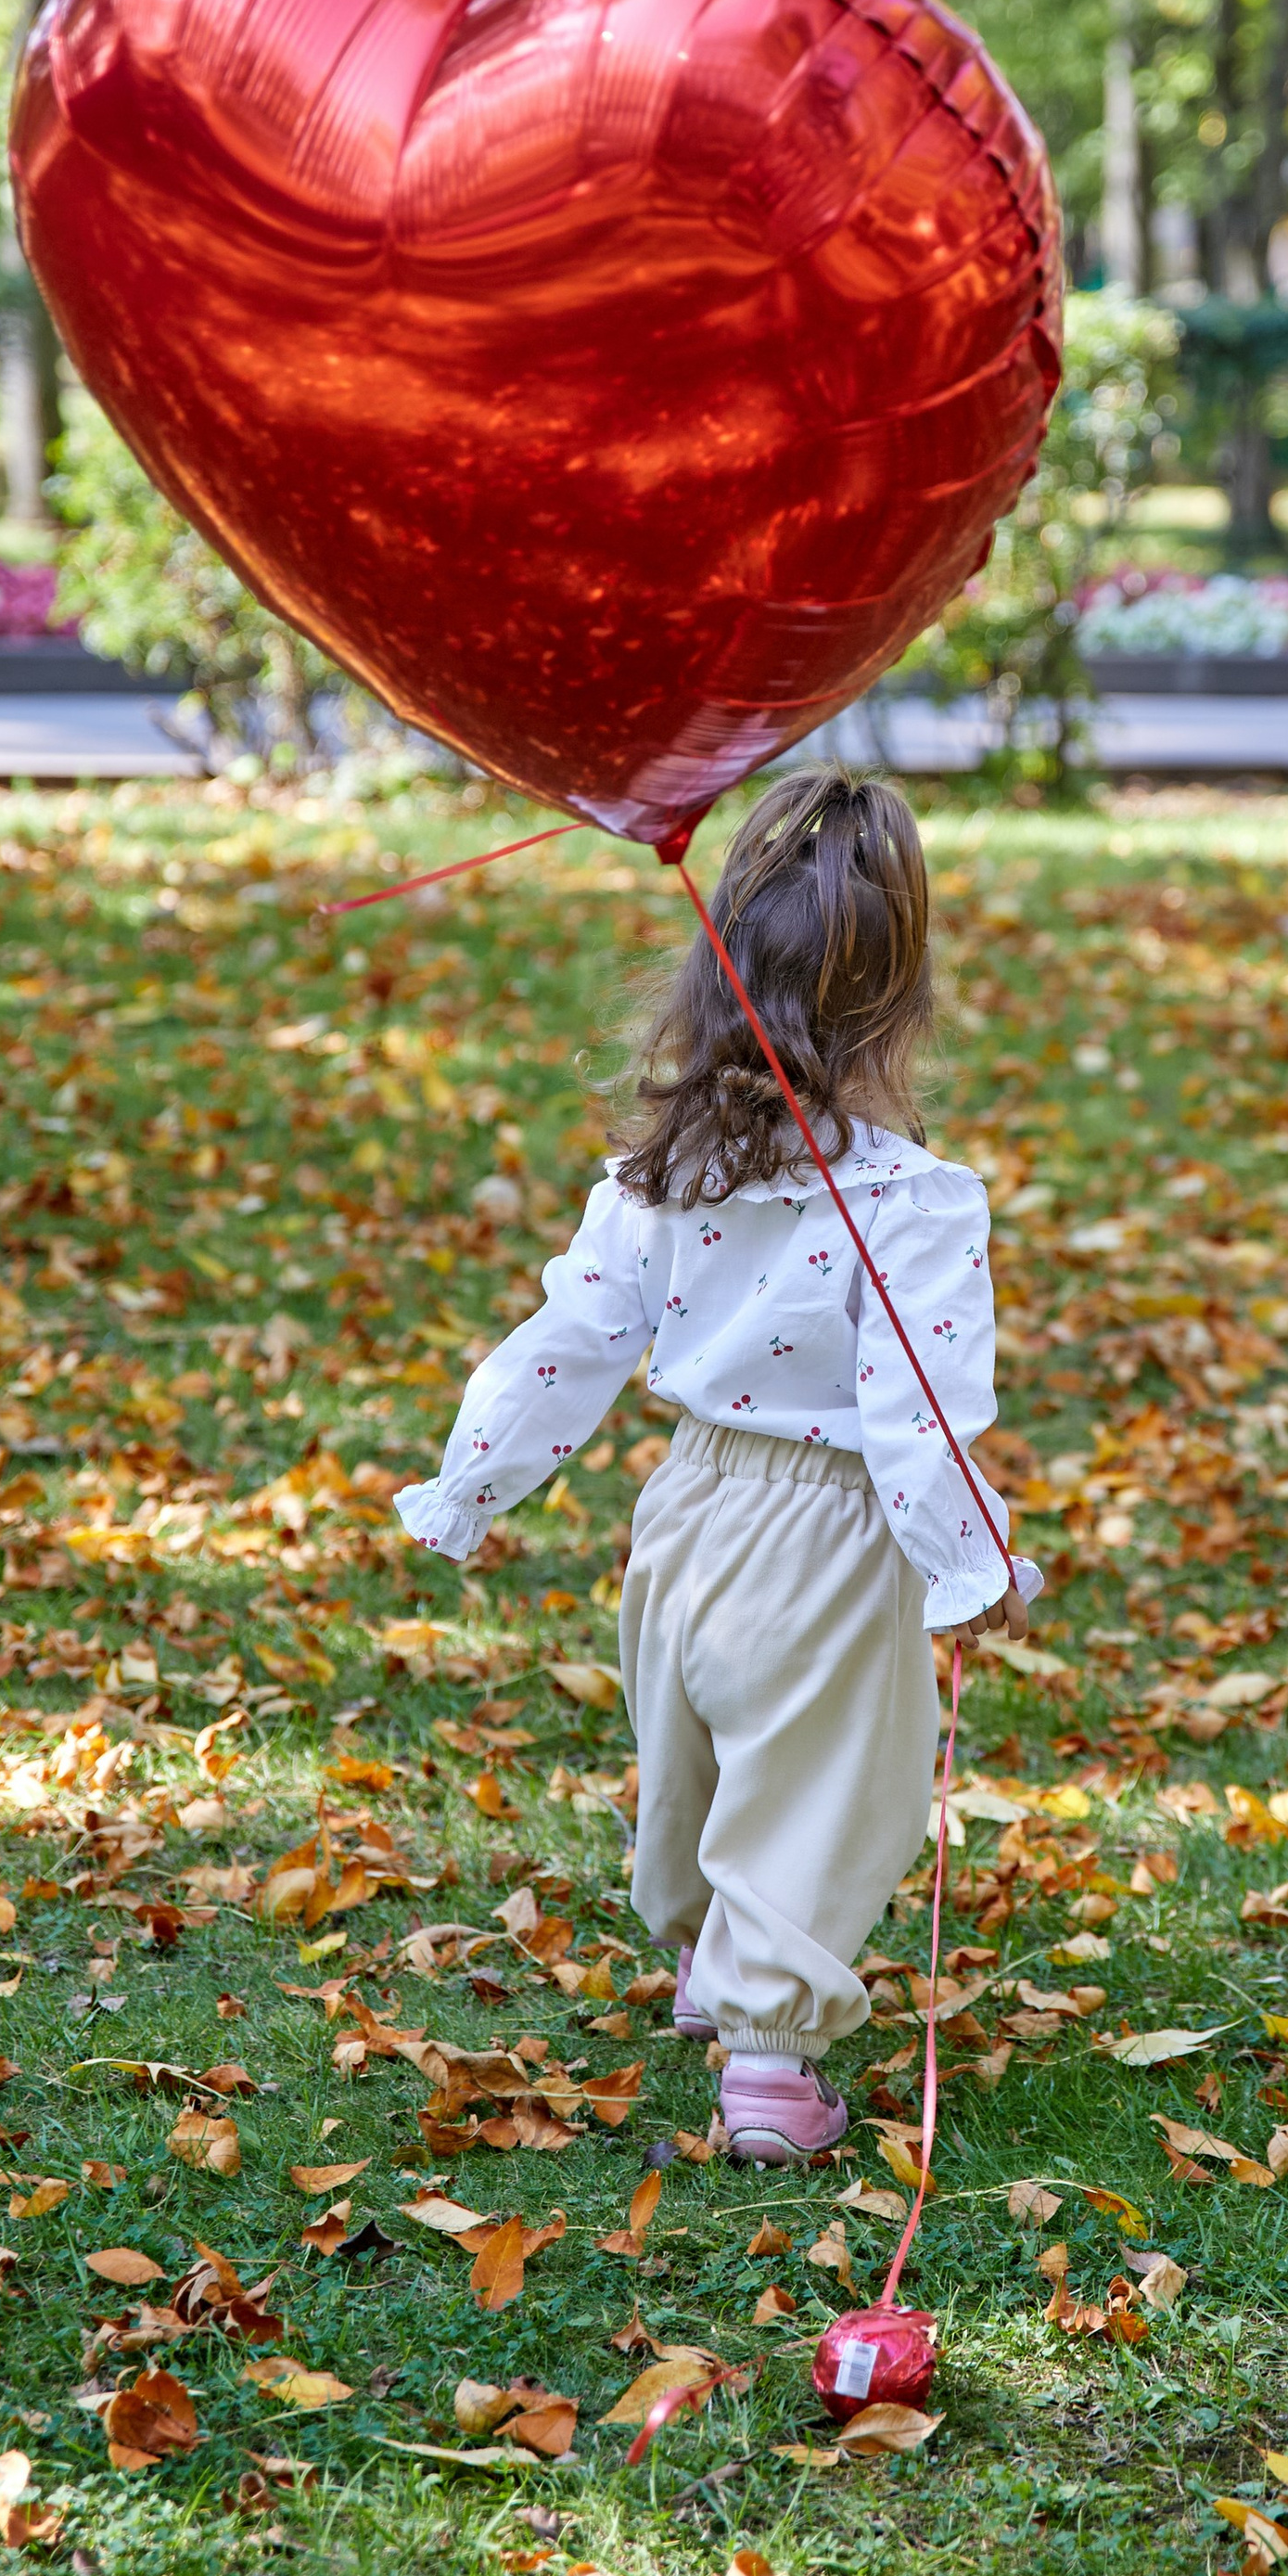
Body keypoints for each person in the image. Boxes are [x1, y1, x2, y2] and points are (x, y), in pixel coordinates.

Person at [398, 771, 1041, 2163]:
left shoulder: (658, 1175)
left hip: (686, 1513)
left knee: (692, 1756)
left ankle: (708, 1955)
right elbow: (914, 1407)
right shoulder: (917, 1201)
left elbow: (569, 1337)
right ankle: (767, 2059)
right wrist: (968, 1559)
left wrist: (473, 1477)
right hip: (830, 1530)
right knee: (819, 1785)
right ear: (902, 999)